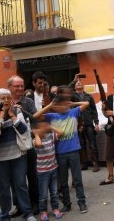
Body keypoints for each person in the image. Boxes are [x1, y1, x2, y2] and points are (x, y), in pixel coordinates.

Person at [33, 87, 90, 215]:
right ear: (56, 106)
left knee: (77, 179)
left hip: (74, 151)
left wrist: (73, 103)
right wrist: (49, 105)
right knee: (63, 181)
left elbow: (86, 103)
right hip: (60, 153)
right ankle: (67, 204)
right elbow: (35, 116)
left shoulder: (73, 112)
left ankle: (82, 202)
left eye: (65, 104)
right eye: (60, 105)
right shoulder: (52, 116)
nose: (64, 107)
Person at [0, 89, 37, 221]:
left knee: (21, 184)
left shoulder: (17, 111)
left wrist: (12, 115)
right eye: (2, 98)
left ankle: (28, 213)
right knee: (3, 188)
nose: (6, 101)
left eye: (8, 97)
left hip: (18, 155)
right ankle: (5, 215)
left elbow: (24, 131)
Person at [7, 75, 39, 217]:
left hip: (28, 144)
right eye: (17, 86)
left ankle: (35, 203)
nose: (20, 88)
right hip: (11, 146)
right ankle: (19, 205)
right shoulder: (5, 101)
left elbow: (36, 117)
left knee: (32, 175)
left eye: (22, 86)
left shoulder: (28, 101)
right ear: (10, 87)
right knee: (15, 179)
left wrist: (22, 111)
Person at [32, 122, 64, 220]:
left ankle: (55, 209)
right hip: (42, 172)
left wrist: (50, 127)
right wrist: (36, 134)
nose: (44, 129)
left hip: (53, 168)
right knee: (43, 194)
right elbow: (38, 144)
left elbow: (61, 132)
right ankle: (43, 212)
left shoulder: (50, 136)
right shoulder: (35, 140)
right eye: (41, 127)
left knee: (54, 192)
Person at [69, 75, 101, 172]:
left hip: (88, 123)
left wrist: (96, 123)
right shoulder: (72, 96)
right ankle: (84, 163)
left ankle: (95, 163)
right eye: (77, 83)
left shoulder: (89, 96)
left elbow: (94, 111)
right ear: (75, 86)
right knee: (81, 145)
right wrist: (74, 80)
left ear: (83, 86)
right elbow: (67, 90)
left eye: (80, 82)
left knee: (92, 144)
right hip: (78, 123)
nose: (78, 83)